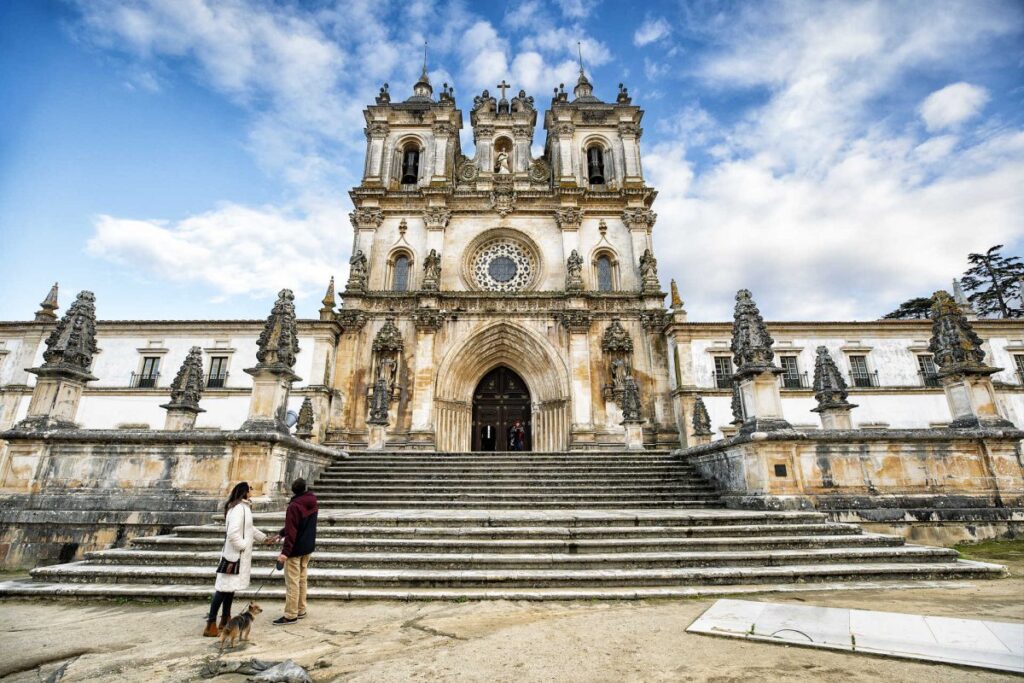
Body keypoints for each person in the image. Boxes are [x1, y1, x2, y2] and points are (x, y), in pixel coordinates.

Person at [204, 482, 270, 637]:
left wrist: (264, 538)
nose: (253, 491)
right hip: (234, 555)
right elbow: (233, 533)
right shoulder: (238, 509)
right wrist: (243, 546)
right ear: (245, 492)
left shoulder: (243, 508)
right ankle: (210, 624)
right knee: (222, 589)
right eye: (251, 489)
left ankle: (225, 618)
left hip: (237, 555)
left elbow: (249, 529)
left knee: (230, 589)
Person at [273, 478, 318, 625]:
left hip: (295, 549)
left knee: (292, 582)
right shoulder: (312, 501)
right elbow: (298, 524)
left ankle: (291, 614)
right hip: (307, 547)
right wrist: (281, 533)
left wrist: (285, 553)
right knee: (302, 579)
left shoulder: (294, 506)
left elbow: (292, 531)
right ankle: (301, 609)